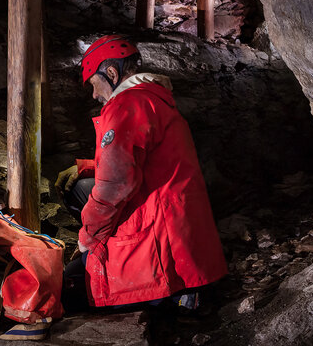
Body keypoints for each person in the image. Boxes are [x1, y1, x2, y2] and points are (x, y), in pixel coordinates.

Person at [56, 34, 228, 311]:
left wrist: (88, 240)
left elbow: (116, 185)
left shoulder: (126, 104)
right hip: (178, 227)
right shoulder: (153, 99)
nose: (94, 95)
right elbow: (144, 159)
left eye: (94, 84)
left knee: (70, 288)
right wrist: (86, 167)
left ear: (111, 73)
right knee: (81, 186)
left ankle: (173, 295)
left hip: (162, 243)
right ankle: (185, 291)